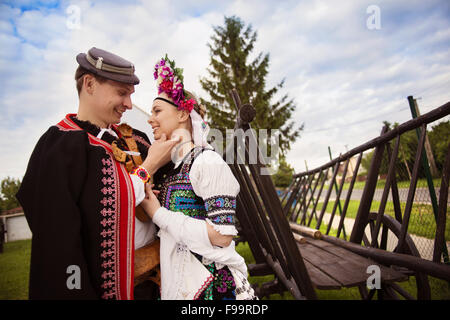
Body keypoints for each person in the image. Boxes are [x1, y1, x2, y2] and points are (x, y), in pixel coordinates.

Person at [16, 47, 179, 300]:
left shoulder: (136, 139)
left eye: (130, 95)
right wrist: (148, 169)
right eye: (121, 93)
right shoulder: (58, 147)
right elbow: (57, 234)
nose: (128, 104)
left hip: (157, 283)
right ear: (89, 84)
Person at [138, 55, 256, 300]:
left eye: (157, 110)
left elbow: (222, 236)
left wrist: (158, 213)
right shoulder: (170, 169)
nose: (150, 119)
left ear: (183, 114)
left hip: (211, 286)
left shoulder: (207, 162)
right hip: (177, 279)